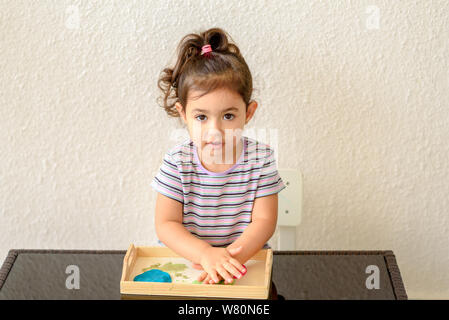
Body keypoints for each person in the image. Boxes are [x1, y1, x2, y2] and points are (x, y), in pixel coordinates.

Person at [151, 27, 286, 285]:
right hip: (187, 267)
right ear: (183, 113)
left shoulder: (261, 160)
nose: (215, 131)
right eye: (201, 117)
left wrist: (227, 261)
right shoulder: (176, 163)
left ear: (248, 112)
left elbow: (265, 220)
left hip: (244, 265)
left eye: (228, 116)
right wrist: (205, 255)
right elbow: (166, 224)